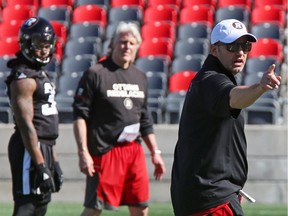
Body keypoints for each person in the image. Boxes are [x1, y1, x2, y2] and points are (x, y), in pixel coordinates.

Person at [170, 19, 282, 216]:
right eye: (232, 46)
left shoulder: (213, 77)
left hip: (207, 195)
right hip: (211, 198)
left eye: (245, 46)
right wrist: (261, 87)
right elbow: (234, 97)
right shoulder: (210, 79)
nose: (240, 52)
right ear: (214, 50)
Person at [72, 22, 166, 216]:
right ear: (113, 44)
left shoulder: (140, 77)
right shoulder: (96, 73)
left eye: (132, 43)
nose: (127, 47)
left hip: (133, 150)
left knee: (141, 206)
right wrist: (83, 152)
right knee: (94, 208)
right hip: (105, 150)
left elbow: (145, 119)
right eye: (123, 42)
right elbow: (80, 115)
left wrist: (155, 152)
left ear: (138, 47)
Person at [5, 17, 64, 216]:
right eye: (40, 45)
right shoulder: (24, 78)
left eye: (48, 45)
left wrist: (53, 162)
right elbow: (26, 125)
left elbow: (46, 128)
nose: (45, 50)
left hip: (43, 147)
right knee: (26, 206)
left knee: (41, 203)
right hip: (28, 149)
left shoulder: (39, 73)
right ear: (27, 44)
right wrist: (40, 164)